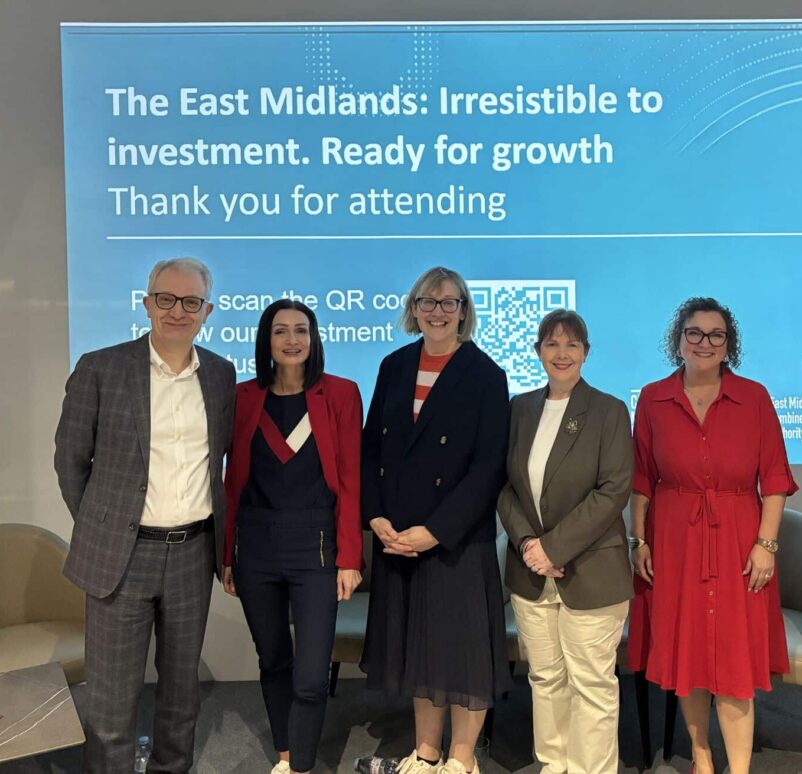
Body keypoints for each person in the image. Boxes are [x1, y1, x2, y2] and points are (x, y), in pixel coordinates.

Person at [54, 257, 235, 773]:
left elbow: (221, 460)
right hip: (122, 557)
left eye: (191, 302)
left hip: (193, 553)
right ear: (147, 303)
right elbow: (70, 461)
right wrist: (103, 527)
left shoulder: (221, 375)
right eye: (166, 299)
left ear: (208, 311)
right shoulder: (100, 367)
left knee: (181, 699)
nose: (178, 310)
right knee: (111, 706)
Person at [629, 297, 795, 774]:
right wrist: (638, 540)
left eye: (716, 334)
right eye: (695, 333)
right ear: (678, 340)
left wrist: (766, 546)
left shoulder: (756, 398)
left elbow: (777, 479)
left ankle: (737, 769)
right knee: (689, 658)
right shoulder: (653, 398)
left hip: (740, 542)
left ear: (729, 344)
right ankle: (702, 759)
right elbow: (642, 478)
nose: (705, 343)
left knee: (735, 663)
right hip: (674, 542)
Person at [355, 267, 510, 774]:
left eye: (449, 302)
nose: (438, 311)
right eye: (429, 301)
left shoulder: (486, 375)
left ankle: (462, 759)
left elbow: (488, 467)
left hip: (454, 540)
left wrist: (436, 532)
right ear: (414, 307)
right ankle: (425, 752)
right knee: (419, 651)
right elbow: (372, 446)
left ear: (464, 310)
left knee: (462, 653)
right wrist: (375, 515)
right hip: (397, 534)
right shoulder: (394, 365)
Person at [222, 299, 363, 774]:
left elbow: (350, 482)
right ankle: (286, 755)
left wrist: (350, 557)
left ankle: (300, 765)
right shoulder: (242, 398)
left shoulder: (341, 394)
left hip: (317, 547)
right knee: (274, 659)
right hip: (255, 546)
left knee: (310, 674)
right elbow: (228, 483)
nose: (291, 340)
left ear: (314, 337)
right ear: (265, 340)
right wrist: (226, 555)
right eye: (280, 331)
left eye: (300, 330)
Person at [497, 309, 633, 774]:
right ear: (537, 352)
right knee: (545, 679)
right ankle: (553, 766)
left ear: (586, 353)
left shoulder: (609, 410)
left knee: (592, 683)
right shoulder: (520, 408)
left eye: (571, 344)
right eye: (552, 344)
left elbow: (614, 489)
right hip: (530, 571)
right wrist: (529, 543)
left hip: (592, 571)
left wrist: (554, 548)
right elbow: (505, 486)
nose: (561, 353)